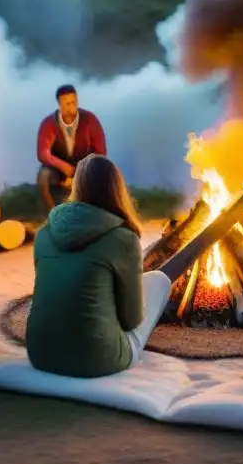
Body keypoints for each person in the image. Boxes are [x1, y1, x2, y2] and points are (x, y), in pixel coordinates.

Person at [26, 154, 171, 378]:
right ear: (117, 189)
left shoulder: (44, 233)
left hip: (40, 355)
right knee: (159, 280)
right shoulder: (123, 238)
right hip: (98, 360)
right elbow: (132, 320)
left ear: (76, 187)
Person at [36, 84, 107, 212]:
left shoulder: (90, 120)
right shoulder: (49, 123)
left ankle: (95, 213)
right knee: (43, 176)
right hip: (58, 169)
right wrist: (63, 167)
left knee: (101, 171)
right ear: (59, 104)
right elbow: (43, 153)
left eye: (73, 102)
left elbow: (100, 151)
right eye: (66, 103)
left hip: (85, 166)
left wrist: (79, 173)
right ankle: (53, 215)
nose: (70, 107)